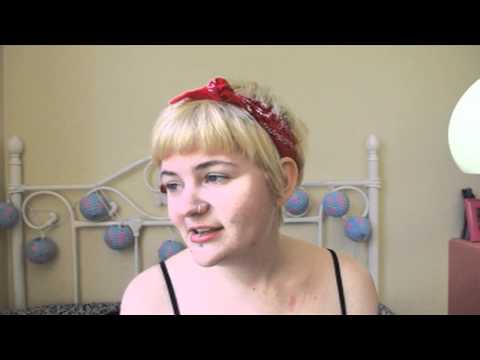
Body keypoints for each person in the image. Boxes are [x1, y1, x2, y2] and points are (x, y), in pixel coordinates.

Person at [120, 77, 378, 315]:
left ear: (283, 180)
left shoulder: (347, 284)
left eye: (214, 177)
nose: (188, 207)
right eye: (172, 185)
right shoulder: (149, 299)